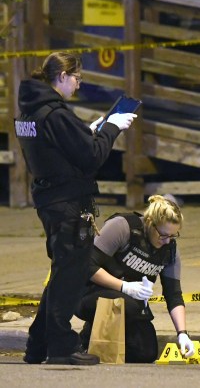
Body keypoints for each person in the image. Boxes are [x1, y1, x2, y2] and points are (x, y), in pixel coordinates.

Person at [14, 51, 137, 365]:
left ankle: (38, 345)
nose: (79, 85)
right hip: (68, 202)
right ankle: (61, 346)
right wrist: (111, 128)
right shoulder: (55, 113)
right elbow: (91, 157)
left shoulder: (29, 112)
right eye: (77, 78)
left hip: (49, 199)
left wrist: (88, 130)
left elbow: (60, 148)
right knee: (71, 275)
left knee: (63, 272)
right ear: (62, 76)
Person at [77, 195, 195, 363]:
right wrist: (124, 286)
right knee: (130, 305)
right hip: (87, 293)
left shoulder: (170, 250)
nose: (167, 241)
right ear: (149, 223)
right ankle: (84, 338)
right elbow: (86, 267)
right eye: (163, 235)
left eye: (173, 236)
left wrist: (182, 334)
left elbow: (174, 294)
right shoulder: (123, 227)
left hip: (129, 304)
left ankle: (103, 341)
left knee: (147, 353)